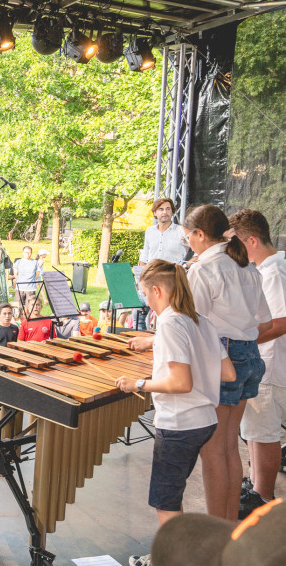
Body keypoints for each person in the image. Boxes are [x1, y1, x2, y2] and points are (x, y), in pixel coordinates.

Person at [131, 205, 272, 522]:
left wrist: (156, 341)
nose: (187, 244)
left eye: (187, 238)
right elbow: (263, 324)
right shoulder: (247, 267)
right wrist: (239, 341)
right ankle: (229, 527)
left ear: (199, 234)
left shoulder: (205, 270)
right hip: (250, 355)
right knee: (230, 447)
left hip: (226, 356)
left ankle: (218, 533)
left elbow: (188, 324)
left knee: (214, 451)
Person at [115, 260, 236, 566]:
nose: (146, 301)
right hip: (205, 421)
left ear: (157, 290)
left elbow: (181, 383)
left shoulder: (169, 323)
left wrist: (138, 383)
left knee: (165, 500)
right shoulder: (202, 321)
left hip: (179, 424)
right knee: (173, 492)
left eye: (145, 294)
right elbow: (228, 373)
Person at [227, 210, 286, 512]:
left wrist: (242, 343)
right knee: (254, 431)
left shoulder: (273, 271)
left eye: (235, 244)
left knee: (263, 433)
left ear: (251, 241)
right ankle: (256, 486)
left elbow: (280, 322)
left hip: (272, 365)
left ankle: (263, 496)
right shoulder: (276, 264)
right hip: (268, 362)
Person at [138, 198, 188, 267]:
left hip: (173, 272)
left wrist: (186, 266)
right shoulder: (149, 231)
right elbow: (144, 256)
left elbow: (198, 253)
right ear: (154, 213)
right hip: (152, 271)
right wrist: (142, 271)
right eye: (161, 209)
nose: (165, 212)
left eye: (168, 209)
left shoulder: (182, 231)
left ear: (172, 211)